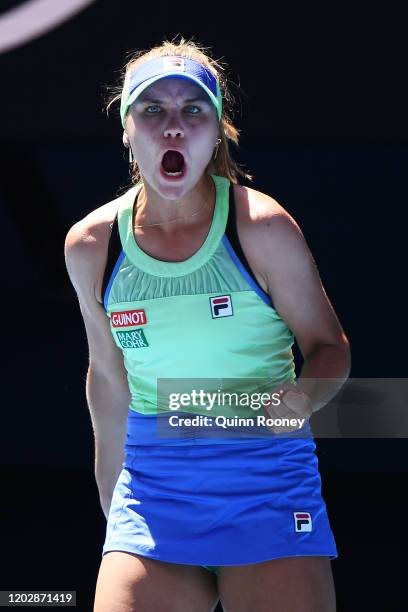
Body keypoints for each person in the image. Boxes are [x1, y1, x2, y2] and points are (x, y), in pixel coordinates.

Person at [64, 37, 351, 612]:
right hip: (153, 493)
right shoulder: (92, 245)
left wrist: (298, 400)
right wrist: (115, 509)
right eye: (153, 110)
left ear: (216, 131)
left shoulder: (263, 227)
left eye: (193, 110)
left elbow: (329, 348)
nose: (173, 127)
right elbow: (109, 382)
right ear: (127, 129)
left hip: (266, 484)